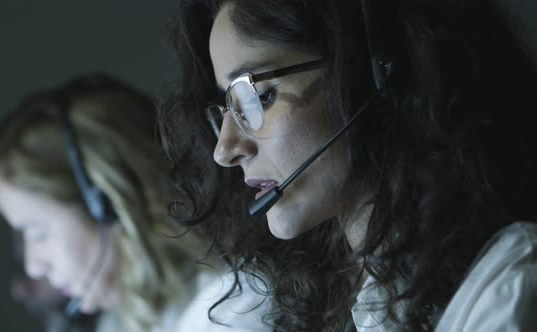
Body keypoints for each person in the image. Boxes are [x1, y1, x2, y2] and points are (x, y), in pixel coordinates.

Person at [159, 0, 537, 331]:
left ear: (380, 74)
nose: (225, 150)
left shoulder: (508, 284)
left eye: (257, 96)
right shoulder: (347, 304)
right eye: (227, 107)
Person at [0, 73, 269, 332]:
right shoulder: (125, 320)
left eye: (37, 232)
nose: (34, 266)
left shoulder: (235, 313)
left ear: (108, 204)